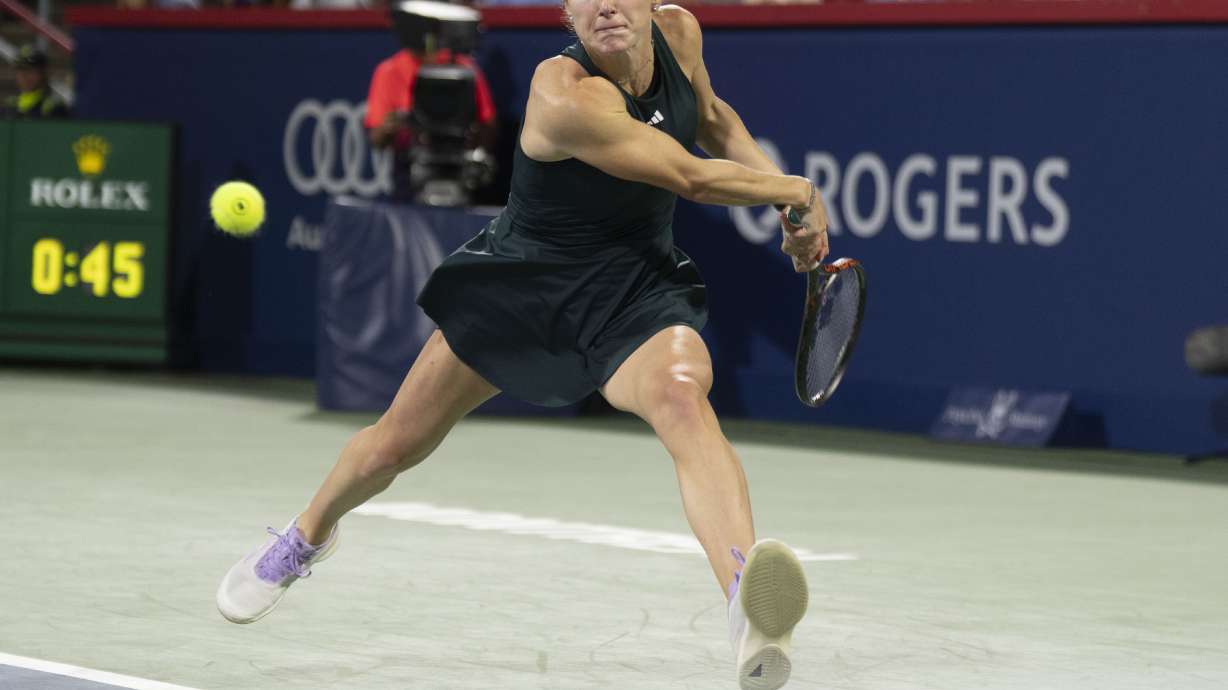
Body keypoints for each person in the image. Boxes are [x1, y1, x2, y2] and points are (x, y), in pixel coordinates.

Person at [218, 1, 830, 688]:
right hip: (525, 286)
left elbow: (713, 118)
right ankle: (307, 535)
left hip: (632, 288)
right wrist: (796, 191)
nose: (604, 6)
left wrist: (783, 201)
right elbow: (687, 174)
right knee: (393, 445)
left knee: (683, 398)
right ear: (565, 11)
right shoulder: (563, 94)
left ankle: (745, 604)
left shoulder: (680, 33)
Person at [364, 30, 497, 198]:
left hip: (459, 167)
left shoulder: (465, 69)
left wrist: (475, 152)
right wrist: (392, 126)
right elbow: (377, 138)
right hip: (410, 172)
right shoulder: (389, 70)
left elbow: (489, 124)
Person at [2, 45, 70, 119]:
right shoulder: (10, 104)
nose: (24, 76)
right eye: (21, 70)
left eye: (30, 71)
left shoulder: (53, 106)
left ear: (44, 73)